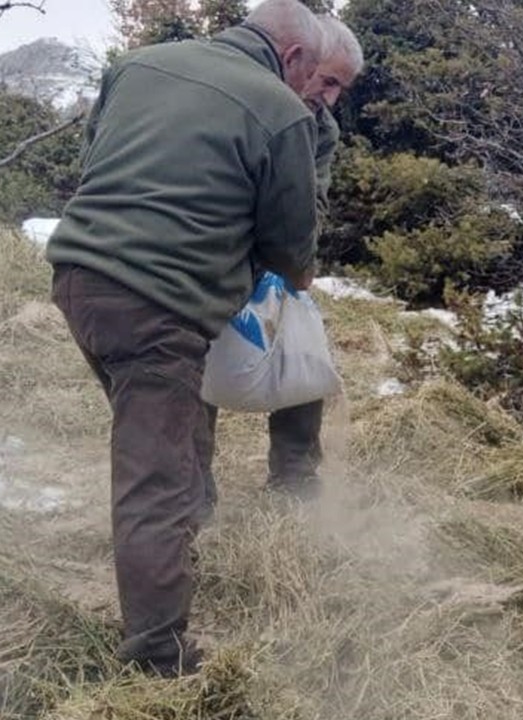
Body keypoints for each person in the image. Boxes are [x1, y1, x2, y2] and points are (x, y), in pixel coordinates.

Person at [46, 0, 332, 677]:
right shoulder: (280, 108)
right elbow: (290, 246)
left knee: (171, 439)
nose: (309, 91)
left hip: (78, 277)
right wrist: (278, 283)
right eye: (312, 76)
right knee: (157, 479)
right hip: (158, 305)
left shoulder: (136, 65)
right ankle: (157, 655)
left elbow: (94, 162)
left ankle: (181, 550)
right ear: (293, 59)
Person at [200, 13, 364, 506]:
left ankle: (294, 480)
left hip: (275, 249)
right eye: (327, 80)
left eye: (341, 88)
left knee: (301, 348)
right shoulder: (236, 91)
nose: (330, 98)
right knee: (193, 361)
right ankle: (192, 492)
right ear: (300, 58)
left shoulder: (321, 129)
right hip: (208, 248)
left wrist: (290, 255)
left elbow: (312, 200)